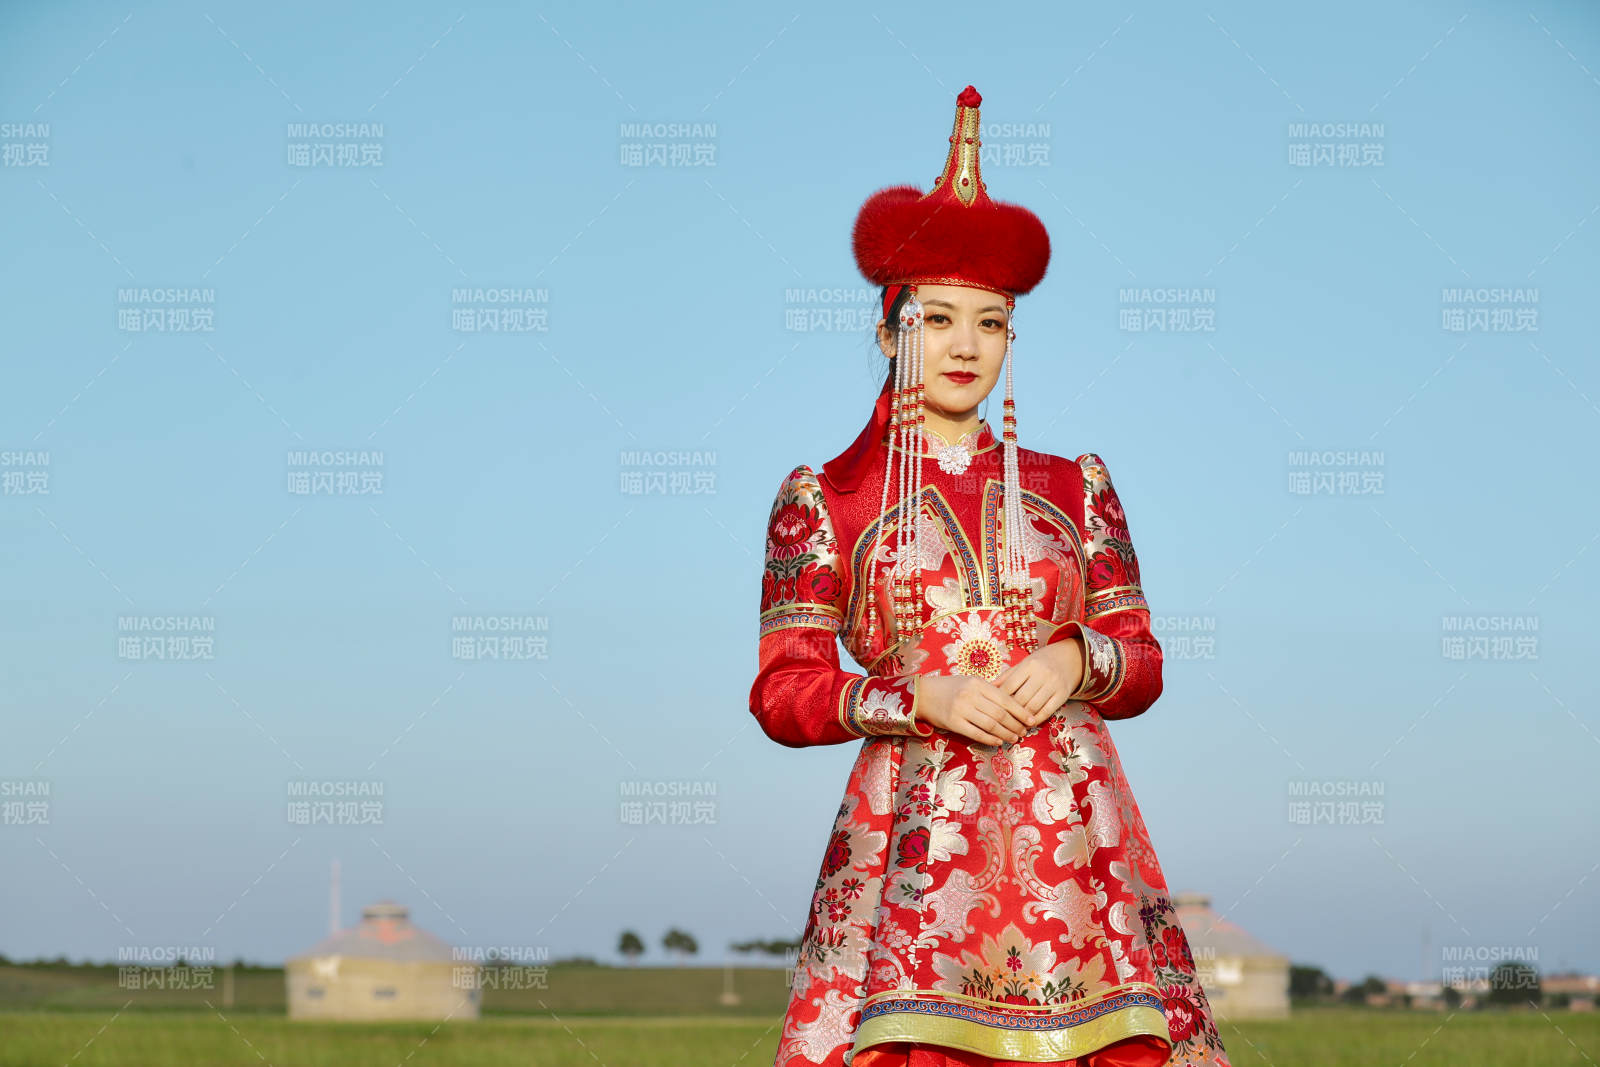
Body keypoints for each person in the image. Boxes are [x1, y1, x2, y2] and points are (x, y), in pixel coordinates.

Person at [749, 86, 1233, 1067]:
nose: (966, 345)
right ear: (889, 331)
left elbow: (1141, 661)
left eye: (991, 322)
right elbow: (782, 690)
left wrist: (1074, 659)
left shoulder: (1077, 483)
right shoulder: (823, 496)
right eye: (937, 317)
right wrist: (915, 693)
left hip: (1074, 827)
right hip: (910, 831)